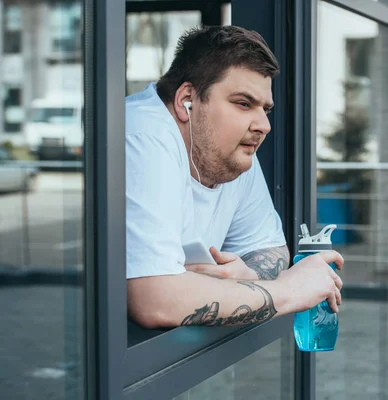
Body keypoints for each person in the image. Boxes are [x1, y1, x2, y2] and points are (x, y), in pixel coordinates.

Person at [126, 25, 344, 329]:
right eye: (243, 103)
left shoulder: (230, 150)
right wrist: (290, 290)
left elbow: (271, 248)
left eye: (265, 109)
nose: (263, 125)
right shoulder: (142, 134)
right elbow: (154, 300)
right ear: (186, 99)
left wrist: (246, 277)